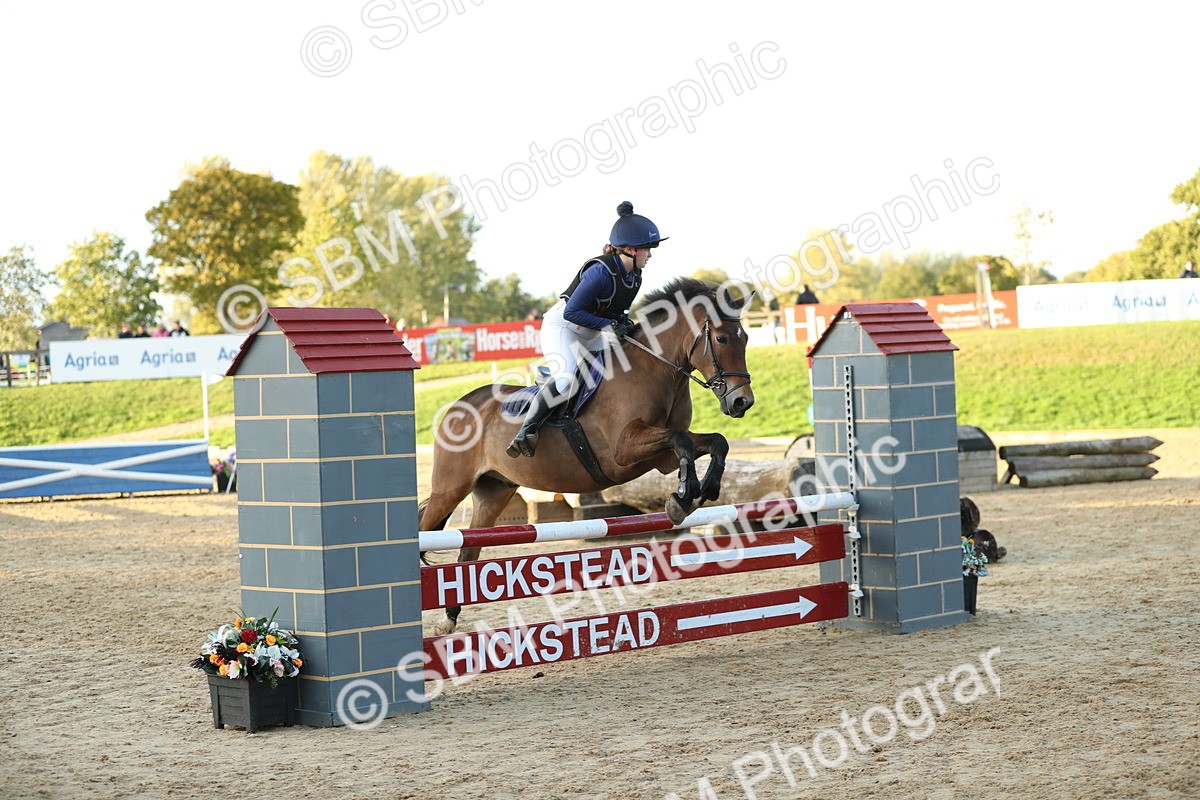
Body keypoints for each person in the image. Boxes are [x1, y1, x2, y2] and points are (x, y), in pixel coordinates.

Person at [507, 200, 666, 458]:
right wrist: (609, 325)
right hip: (563, 327)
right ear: (630, 250)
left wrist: (624, 324)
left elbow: (618, 312)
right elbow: (571, 312)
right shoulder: (600, 273)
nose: (650, 254)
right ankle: (526, 431)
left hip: (591, 332)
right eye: (647, 249)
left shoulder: (635, 276)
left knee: (627, 360)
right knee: (567, 380)